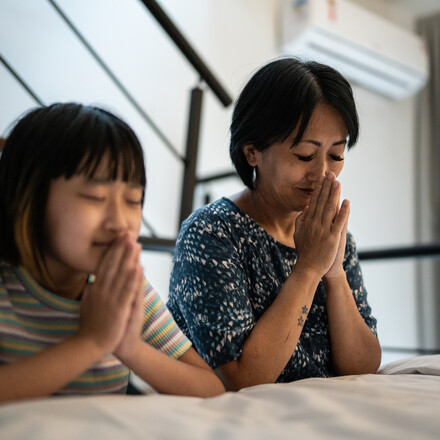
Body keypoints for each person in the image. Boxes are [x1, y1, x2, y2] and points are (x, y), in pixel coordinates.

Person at [167, 57, 382, 391]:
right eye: (305, 156)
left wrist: (334, 273)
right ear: (252, 152)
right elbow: (242, 378)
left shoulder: (334, 237)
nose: (324, 173)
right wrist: (309, 268)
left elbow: (364, 366)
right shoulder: (211, 233)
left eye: (336, 155)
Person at [0, 103, 225, 403]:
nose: (119, 221)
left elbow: (212, 390)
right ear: (29, 196)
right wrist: (92, 341)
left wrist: (130, 347)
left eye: (133, 200)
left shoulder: (123, 289)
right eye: (95, 197)